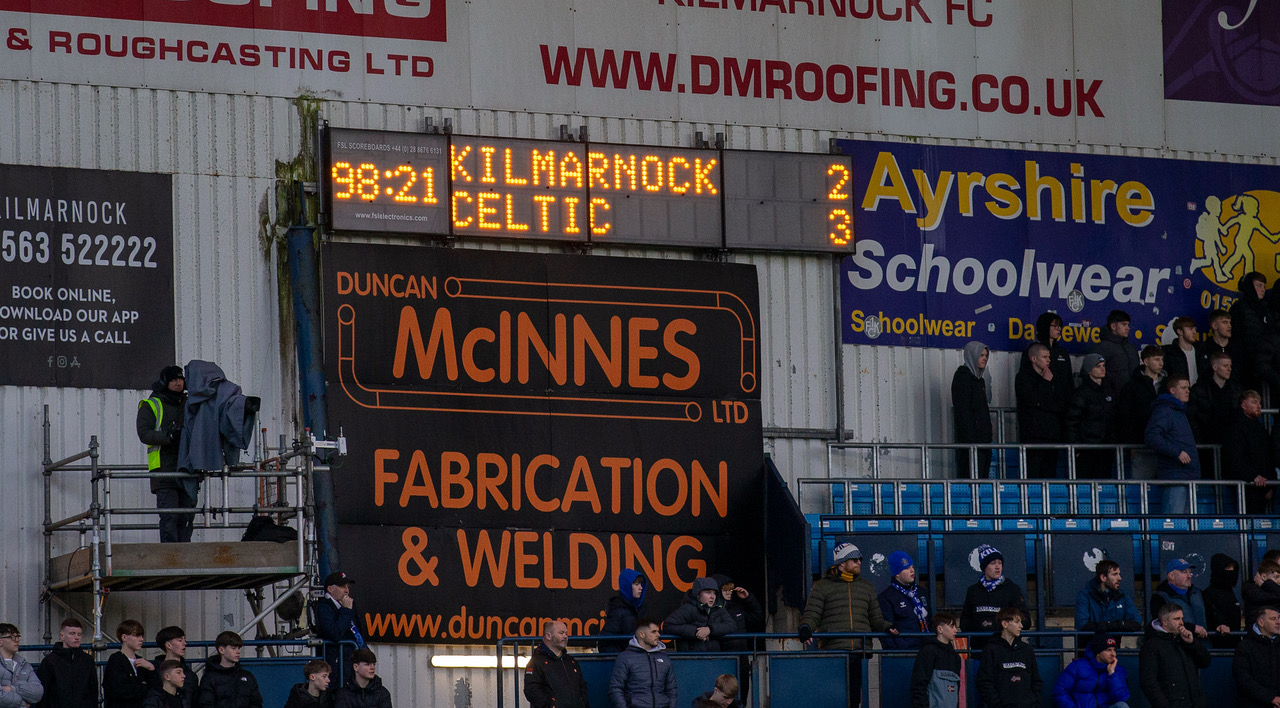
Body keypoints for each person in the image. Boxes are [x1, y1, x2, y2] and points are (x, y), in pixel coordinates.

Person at [799, 542, 896, 708]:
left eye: (860, 559)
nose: (860, 562)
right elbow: (812, 614)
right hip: (833, 651)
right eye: (855, 559)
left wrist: (886, 626)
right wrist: (805, 627)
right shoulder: (822, 587)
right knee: (834, 699)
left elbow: (876, 618)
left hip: (859, 651)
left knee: (854, 701)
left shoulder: (866, 587)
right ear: (842, 563)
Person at [136, 364, 193, 543]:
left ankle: (184, 561)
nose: (178, 383)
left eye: (181, 379)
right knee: (170, 518)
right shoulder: (151, 404)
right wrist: (169, 436)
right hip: (164, 471)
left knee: (186, 518)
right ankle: (171, 561)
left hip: (188, 470)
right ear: (164, 382)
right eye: (174, 380)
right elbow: (144, 433)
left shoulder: (190, 404)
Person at [1138, 603, 1210, 708]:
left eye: (1182, 618)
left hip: (1194, 703)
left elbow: (1205, 662)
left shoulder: (1185, 640)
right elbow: (1149, 683)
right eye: (1176, 619)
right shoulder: (1151, 646)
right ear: (1164, 622)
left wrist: (1192, 643)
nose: (1181, 623)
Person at [1145, 377, 1199, 514]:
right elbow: (1152, 436)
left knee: (1187, 527)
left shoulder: (1180, 411)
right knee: (1173, 524)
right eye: (1183, 388)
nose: (1188, 391)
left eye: (1188, 388)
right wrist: (1177, 452)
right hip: (1175, 475)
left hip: (1187, 475)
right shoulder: (1165, 410)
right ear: (1172, 390)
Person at [961, 544, 1029, 650]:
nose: (997, 567)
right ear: (984, 567)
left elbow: (1026, 621)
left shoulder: (1012, 589)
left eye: (1000, 563)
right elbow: (964, 622)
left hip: (1005, 650)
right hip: (979, 650)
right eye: (993, 563)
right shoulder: (973, 591)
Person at [1017, 342, 1068, 478]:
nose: (1049, 360)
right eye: (1045, 357)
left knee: (1050, 475)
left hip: (1052, 436)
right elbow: (1032, 401)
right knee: (1033, 476)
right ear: (1034, 359)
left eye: (1049, 357)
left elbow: (1059, 403)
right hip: (1033, 436)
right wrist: (1045, 383)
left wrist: (1044, 403)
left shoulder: (1053, 377)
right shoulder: (1023, 378)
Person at [1187, 351, 1241, 473]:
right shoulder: (1199, 389)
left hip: (1230, 444)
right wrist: (1198, 440)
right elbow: (1192, 417)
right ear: (1215, 367)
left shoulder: (1236, 390)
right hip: (1206, 443)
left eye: (1230, 366)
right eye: (1225, 366)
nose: (1229, 369)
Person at [976, 608, 1041, 708]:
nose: (1021, 626)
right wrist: (997, 705)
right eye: (1017, 622)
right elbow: (985, 682)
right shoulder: (991, 650)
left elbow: (1036, 681)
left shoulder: (1026, 650)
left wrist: (1032, 702)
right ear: (1005, 624)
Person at [1225, 390, 1276, 514]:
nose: (1259, 406)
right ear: (1243, 405)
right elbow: (1234, 458)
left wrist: (1271, 485)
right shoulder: (1235, 429)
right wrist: (1253, 476)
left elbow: (1269, 458)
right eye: (1254, 402)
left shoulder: (1261, 430)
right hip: (1247, 487)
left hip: (1263, 487)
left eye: (1259, 403)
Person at [1066, 353, 1115, 479]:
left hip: (1106, 448)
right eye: (1098, 366)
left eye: (1103, 365)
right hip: (1086, 449)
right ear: (1089, 370)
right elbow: (1072, 422)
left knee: (1104, 488)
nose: (1102, 369)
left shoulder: (1109, 391)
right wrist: (1076, 447)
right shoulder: (1080, 394)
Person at [608, 619, 677, 708]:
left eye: (658, 632)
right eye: (653, 632)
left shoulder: (665, 658)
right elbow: (615, 689)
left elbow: (672, 690)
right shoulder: (625, 658)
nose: (658, 635)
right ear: (642, 634)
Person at [1229, 272, 1280, 393]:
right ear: (1249, 286)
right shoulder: (1239, 308)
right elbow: (1236, 338)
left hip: (1266, 362)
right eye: (1259, 285)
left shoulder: (1267, 309)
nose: (1263, 289)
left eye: (1264, 286)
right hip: (1245, 363)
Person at [1052, 633, 1129, 708]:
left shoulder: (1118, 670)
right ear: (1097, 653)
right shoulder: (1078, 666)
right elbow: (1060, 692)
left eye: (1114, 650)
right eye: (1108, 650)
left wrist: (1112, 674)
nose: (1113, 654)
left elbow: (1121, 697)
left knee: (1122, 706)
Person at [953, 340, 994, 478]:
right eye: (980, 355)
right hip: (972, 443)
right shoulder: (963, 377)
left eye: (986, 355)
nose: (984, 358)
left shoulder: (979, 380)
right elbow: (963, 412)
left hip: (983, 442)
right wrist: (971, 439)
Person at [523, 621, 588, 708]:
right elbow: (531, 690)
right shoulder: (537, 661)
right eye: (561, 633)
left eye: (566, 633)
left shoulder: (570, 661)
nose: (565, 636)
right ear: (548, 636)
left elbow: (582, 688)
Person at [34, 618, 96, 708]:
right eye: (72, 633)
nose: (77, 637)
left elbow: (93, 690)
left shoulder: (88, 661)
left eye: (79, 634)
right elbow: (43, 693)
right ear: (62, 636)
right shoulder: (50, 662)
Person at [664, 578, 737, 652]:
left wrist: (710, 630)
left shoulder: (719, 608)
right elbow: (668, 625)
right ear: (697, 594)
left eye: (714, 593)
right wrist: (695, 632)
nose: (712, 596)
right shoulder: (688, 608)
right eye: (708, 592)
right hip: (691, 658)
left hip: (715, 657)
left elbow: (732, 625)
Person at [909, 612, 963, 708]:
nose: (955, 630)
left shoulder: (955, 657)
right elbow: (919, 685)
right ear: (940, 629)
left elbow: (956, 690)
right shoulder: (928, 652)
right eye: (951, 626)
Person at [1019, 312, 1075, 403]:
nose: (1059, 329)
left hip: (1063, 406)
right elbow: (1026, 380)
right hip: (1043, 404)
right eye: (1055, 326)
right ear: (1045, 326)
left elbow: (1069, 381)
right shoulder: (1033, 350)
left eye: (1060, 326)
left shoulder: (1062, 352)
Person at [879, 551, 930, 650]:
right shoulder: (886, 597)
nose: (912, 571)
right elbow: (886, 630)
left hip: (926, 648)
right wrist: (896, 650)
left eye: (912, 567)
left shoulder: (921, 591)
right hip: (904, 652)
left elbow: (931, 619)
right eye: (907, 568)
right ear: (897, 574)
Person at [315, 572, 365, 671]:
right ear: (330, 589)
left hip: (352, 658)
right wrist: (346, 611)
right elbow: (334, 634)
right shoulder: (323, 607)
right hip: (337, 662)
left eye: (348, 586)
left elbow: (357, 630)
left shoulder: (348, 604)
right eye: (342, 586)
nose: (347, 590)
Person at [1074, 559, 1141, 634]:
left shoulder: (1122, 596)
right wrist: (1113, 626)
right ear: (1103, 577)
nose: (1119, 578)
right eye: (1115, 574)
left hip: (1114, 644)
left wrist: (1110, 625)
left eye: (1119, 574)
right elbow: (1081, 624)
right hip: (1091, 644)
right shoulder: (1085, 596)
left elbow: (1137, 622)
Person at [197, 632, 262, 708]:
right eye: (233, 648)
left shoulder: (248, 676)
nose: (238, 651)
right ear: (221, 650)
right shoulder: (209, 678)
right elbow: (206, 704)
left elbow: (256, 704)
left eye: (239, 648)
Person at [1233, 606, 1280, 708]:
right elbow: (1243, 679)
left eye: (1278, 618)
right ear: (1261, 622)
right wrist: (1270, 698)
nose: (1278, 622)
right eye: (1273, 619)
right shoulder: (1245, 647)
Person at [1150, 559, 1208, 639]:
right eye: (1184, 572)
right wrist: (1193, 628)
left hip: (1202, 645)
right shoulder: (1159, 597)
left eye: (1189, 572)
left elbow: (1209, 615)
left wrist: (1219, 625)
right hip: (1178, 646)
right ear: (1171, 576)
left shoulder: (1197, 593)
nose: (1189, 576)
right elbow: (1162, 623)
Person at [104, 620, 156, 708]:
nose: (141, 639)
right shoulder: (116, 660)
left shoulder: (142, 662)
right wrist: (144, 687)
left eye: (142, 636)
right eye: (136, 635)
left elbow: (156, 689)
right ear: (124, 637)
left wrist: (151, 668)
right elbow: (120, 690)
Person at [1093, 310, 1140, 398]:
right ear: (1113, 326)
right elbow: (1091, 375)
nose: (1128, 328)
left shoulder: (1132, 349)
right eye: (1124, 324)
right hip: (1110, 399)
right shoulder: (1101, 347)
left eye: (1128, 325)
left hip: (1131, 399)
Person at [600, 570, 647, 653]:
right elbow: (605, 642)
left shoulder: (639, 608)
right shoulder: (618, 611)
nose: (640, 588)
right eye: (636, 584)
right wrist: (622, 656)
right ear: (627, 587)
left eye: (641, 584)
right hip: (626, 659)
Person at [149, 627, 197, 708]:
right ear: (168, 645)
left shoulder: (190, 676)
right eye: (180, 640)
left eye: (184, 639)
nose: (185, 643)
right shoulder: (153, 672)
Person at [712, 574, 762, 650]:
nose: (729, 593)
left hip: (741, 656)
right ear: (717, 591)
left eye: (731, 590)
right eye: (725, 590)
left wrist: (748, 598)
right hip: (722, 656)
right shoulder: (711, 610)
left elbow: (757, 616)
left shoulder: (735, 608)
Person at [1202, 553, 1242, 647]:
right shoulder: (1209, 594)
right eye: (1228, 568)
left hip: (1234, 643)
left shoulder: (1230, 591)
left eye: (1233, 568)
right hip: (1218, 645)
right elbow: (1214, 615)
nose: (1232, 571)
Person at [0, 624, 43, 708]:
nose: (16, 640)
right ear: (0, 641)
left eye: (17, 636)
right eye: (11, 637)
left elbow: (38, 692)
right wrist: (22, 703)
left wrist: (12, 689)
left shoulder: (24, 665)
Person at [1196, 309, 1233, 379]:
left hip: (1234, 389)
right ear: (1214, 326)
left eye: (1230, 322)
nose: (1229, 326)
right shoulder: (1204, 348)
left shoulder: (1237, 347)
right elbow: (1203, 373)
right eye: (1225, 322)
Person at [1163, 316, 1201, 385]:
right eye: (1190, 329)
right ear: (1180, 331)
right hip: (1178, 393)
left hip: (1199, 393)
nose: (1194, 332)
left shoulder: (1201, 350)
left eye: (1195, 329)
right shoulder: (1169, 353)